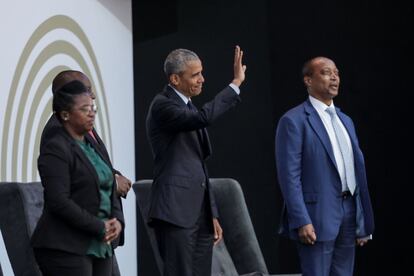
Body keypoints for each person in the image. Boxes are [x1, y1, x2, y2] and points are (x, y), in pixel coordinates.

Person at [146, 46, 246, 276]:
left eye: (201, 73)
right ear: (175, 78)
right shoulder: (163, 105)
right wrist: (235, 84)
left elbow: (197, 164)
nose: (202, 79)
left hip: (198, 213)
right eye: (195, 74)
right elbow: (203, 118)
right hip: (175, 211)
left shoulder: (187, 104)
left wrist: (211, 213)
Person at [275, 57, 375, 276]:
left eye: (337, 73)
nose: (334, 77)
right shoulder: (294, 120)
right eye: (326, 72)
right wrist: (301, 219)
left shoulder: (345, 120)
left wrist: (362, 219)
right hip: (316, 214)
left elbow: (356, 172)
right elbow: (289, 176)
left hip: (349, 211)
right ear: (308, 80)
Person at [31, 80, 124, 276]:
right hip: (66, 246)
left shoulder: (91, 146)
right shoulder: (55, 148)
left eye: (93, 108)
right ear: (65, 114)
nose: (92, 113)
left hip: (100, 244)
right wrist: (99, 226)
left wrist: (118, 221)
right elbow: (59, 201)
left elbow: (109, 186)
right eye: (84, 109)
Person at [40, 70, 132, 198]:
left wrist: (115, 175)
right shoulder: (56, 131)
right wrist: (114, 184)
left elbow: (95, 163)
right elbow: (74, 180)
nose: (92, 96)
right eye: (87, 90)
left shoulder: (80, 123)